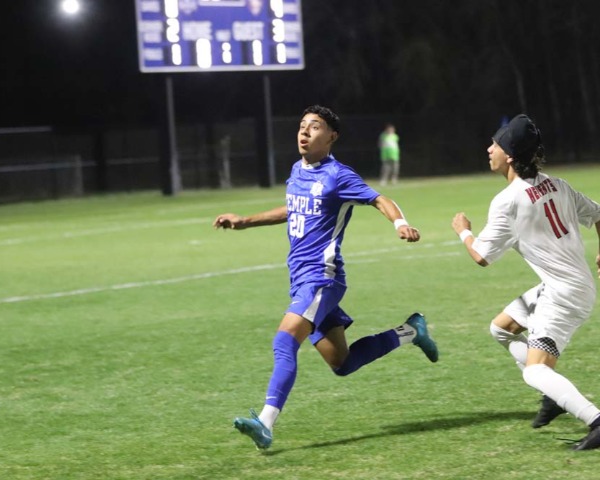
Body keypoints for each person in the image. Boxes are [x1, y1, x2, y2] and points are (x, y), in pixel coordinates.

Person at [214, 105, 438, 450]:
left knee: (284, 341)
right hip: (300, 278)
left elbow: (380, 199)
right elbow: (292, 208)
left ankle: (265, 423)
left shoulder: (338, 176)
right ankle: (410, 331)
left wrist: (400, 223)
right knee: (341, 363)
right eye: (302, 125)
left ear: (332, 136)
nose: (304, 132)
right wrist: (245, 221)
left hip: (322, 278)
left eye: (314, 127)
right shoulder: (297, 170)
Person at [451, 114, 600, 451]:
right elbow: (598, 213)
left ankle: (596, 420)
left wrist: (463, 231)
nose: (489, 149)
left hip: (562, 295)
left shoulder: (508, 201)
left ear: (510, 156)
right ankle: (553, 395)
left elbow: (481, 256)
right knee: (501, 328)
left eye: (496, 144)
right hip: (569, 285)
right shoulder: (558, 184)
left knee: (534, 371)